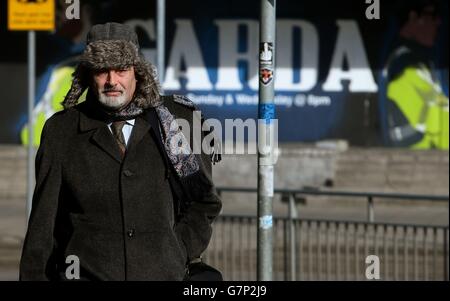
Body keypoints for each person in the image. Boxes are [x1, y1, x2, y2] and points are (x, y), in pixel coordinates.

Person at [19, 22, 222, 281]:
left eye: (121, 69)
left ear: (138, 72)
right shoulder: (62, 130)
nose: (112, 81)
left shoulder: (176, 122)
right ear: (87, 74)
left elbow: (203, 201)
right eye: (102, 70)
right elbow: (43, 228)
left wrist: (177, 250)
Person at [382, 0, 448, 149]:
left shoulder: (423, 63)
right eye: (433, 15)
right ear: (413, 18)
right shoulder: (403, 66)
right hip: (421, 159)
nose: (438, 22)